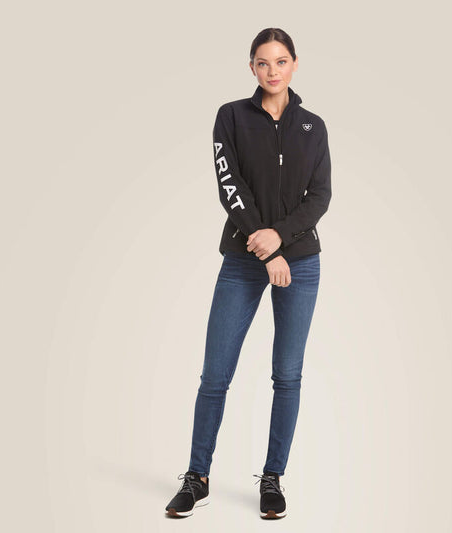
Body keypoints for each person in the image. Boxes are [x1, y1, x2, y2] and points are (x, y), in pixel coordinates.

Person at [165, 27, 332, 520]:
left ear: (294, 64)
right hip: (244, 257)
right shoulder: (231, 117)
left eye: (281, 61)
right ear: (252, 67)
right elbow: (229, 184)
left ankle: (272, 478)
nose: (272, 71)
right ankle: (197, 478)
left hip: (300, 261)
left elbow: (320, 196)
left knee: (288, 374)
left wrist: (279, 238)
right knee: (215, 374)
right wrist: (264, 247)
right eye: (263, 62)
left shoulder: (313, 127)